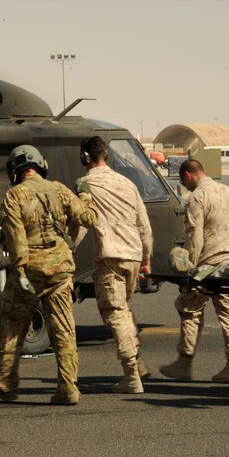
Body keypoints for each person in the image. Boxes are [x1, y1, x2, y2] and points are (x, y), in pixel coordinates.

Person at [0, 144, 98, 405]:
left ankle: (6, 385)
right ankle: (68, 388)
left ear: (16, 170)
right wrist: (85, 194)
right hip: (60, 271)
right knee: (64, 330)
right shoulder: (59, 188)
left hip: (30, 273)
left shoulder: (14, 195)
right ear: (40, 165)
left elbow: (16, 238)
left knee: (12, 327)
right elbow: (89, 218)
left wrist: (21, 269)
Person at [159, 159, 229, 384]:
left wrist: (189, 272)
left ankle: (184, 363)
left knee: (189, 305)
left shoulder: (196, 198)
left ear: (188, 176)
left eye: (183, 181)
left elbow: (194, 239)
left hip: (210, 263)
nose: (185, 185)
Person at [77, 136, 153, 394]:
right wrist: (147, 259)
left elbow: (80, 222)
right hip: (133, 254)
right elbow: (144, 224)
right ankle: (139, 364)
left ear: (86, 158)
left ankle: (131, 375)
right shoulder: (127, 183)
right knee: (124, 309)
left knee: (115, 313)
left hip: (111, 256)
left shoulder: (86, 184)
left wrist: (67, 250)